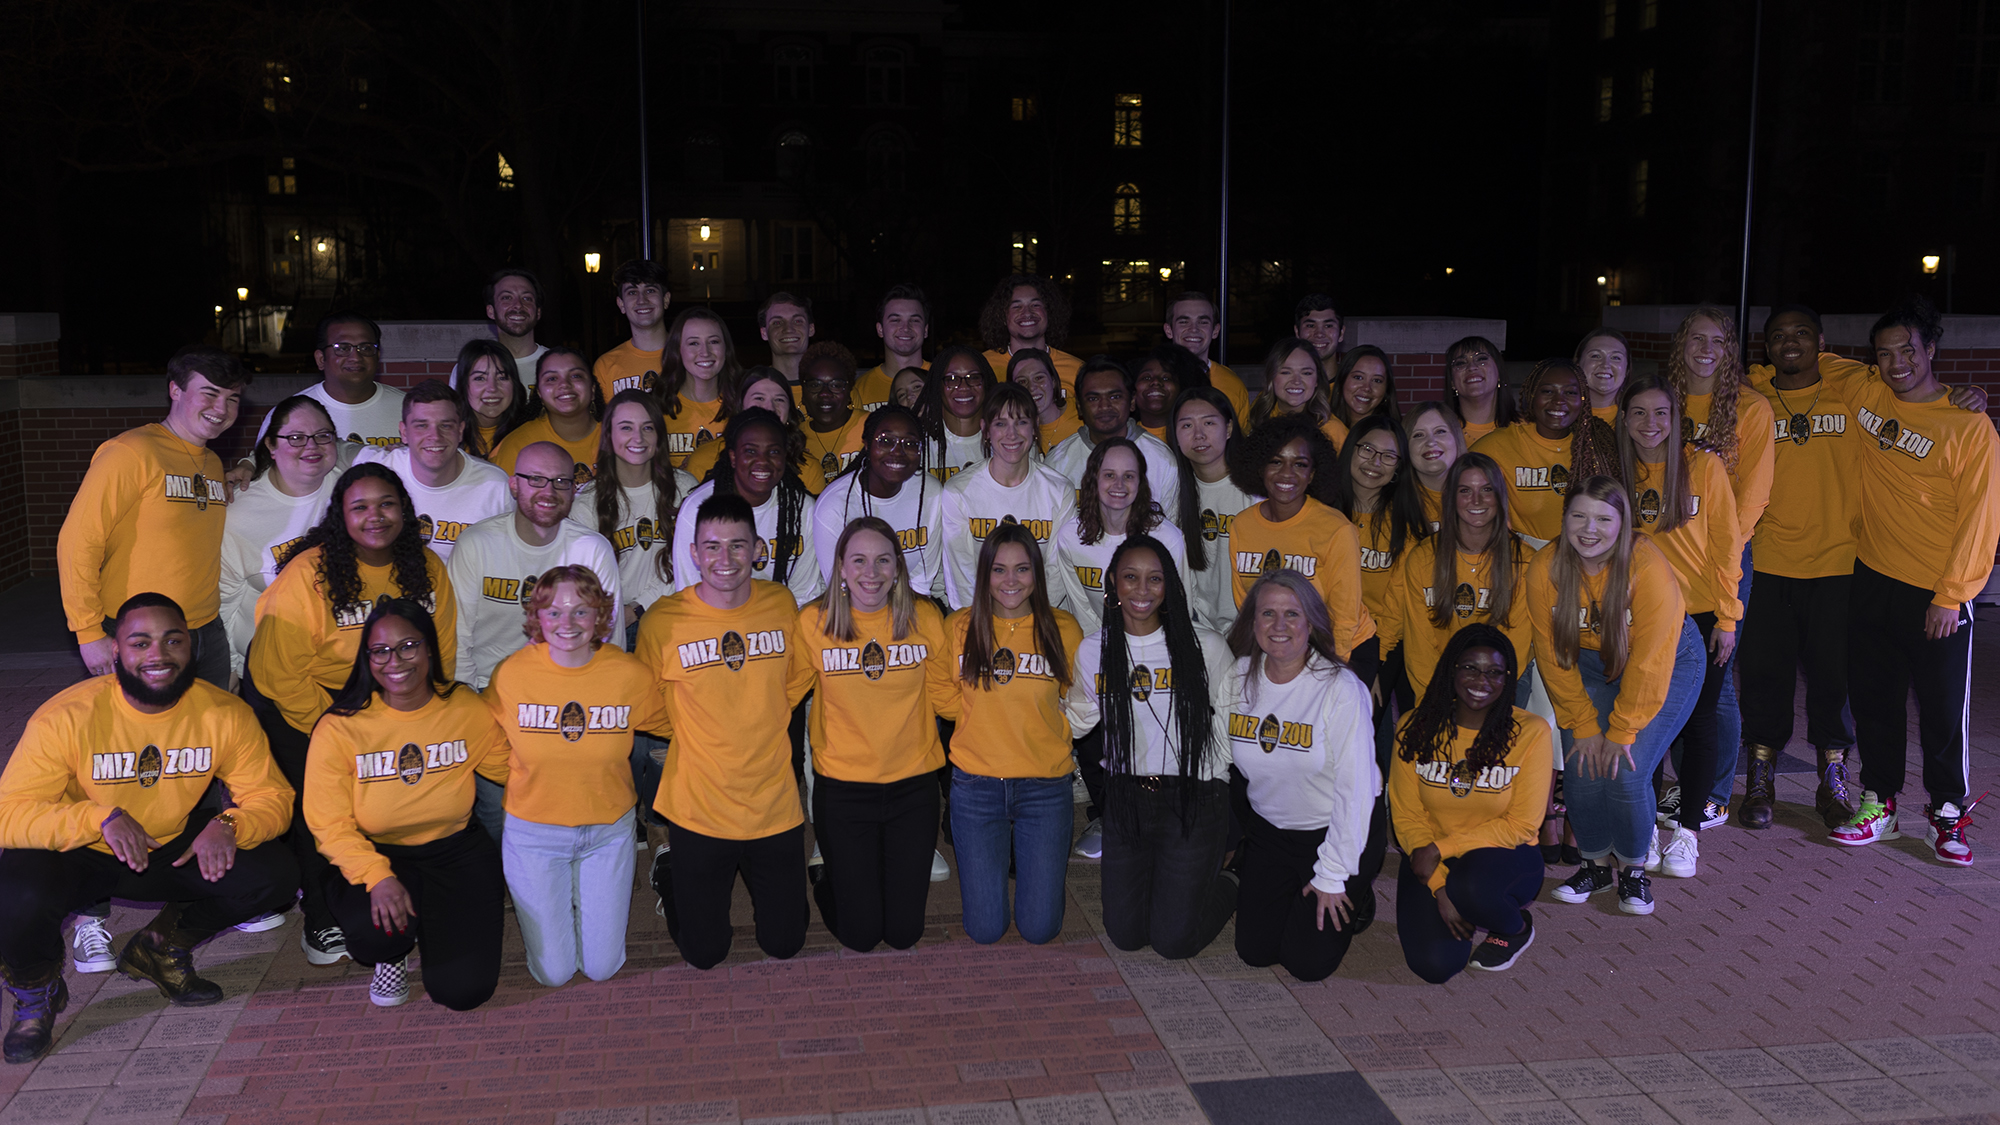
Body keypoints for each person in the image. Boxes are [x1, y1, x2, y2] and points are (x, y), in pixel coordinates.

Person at [0, 594, 297, 1063]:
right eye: (141, 643)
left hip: (168, 845)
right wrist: (97, 817)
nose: (158, 654)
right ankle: (37, 991)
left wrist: (230, 822)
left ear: (191, 647)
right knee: (16, 894)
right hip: (83, 849)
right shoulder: (68, 715)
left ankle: (159, 948)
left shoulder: (223, 712)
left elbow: (273, 799)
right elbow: (8, 813)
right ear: (116, 651)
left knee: (275, 874)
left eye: (172, 640)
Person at [247, 463, 457, 966]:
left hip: (389, 695)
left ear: (404, 511)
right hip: (303, 699)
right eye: (359, 507)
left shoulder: (426, 566)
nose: (374, 516)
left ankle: (395, 885)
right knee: (323, 806)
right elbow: (277, 672)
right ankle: (320, 915)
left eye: (386, 504)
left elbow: (441, 650)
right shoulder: (310, 573)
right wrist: (344, 733)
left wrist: (421, 714)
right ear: (340, 516)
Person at [1822, 299, 2000, 865]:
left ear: (1930, 350)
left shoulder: (1969, 426)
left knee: (1943, 711)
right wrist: (1754, 373)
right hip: (1872, 577)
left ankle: (1947, 813)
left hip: (1936, 593)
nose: (1897, 363)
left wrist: (1952, 595)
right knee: (1875, 702)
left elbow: (1981, 519)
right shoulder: (1867, 391)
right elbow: (1803, 357)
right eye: (1885, 354)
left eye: (1908, 350)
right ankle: (1881, 803)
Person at [634, 494, 817, 969]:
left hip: (771, 800)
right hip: (699, 805)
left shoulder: (780, 603)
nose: (725, 558)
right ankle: (668, 864)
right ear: (694, 553)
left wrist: (761, 715)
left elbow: (796, 677)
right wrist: (696, 731)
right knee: (704, 953)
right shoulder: (663, 622)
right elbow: (646, 703)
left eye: (738, 545)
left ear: (757, 549)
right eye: (712, 546)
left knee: (785, 943)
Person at [303, 599, 509, 1010]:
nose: (394, 661)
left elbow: (514, 771)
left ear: (430, 648)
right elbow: (327, 822)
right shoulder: (341, 726)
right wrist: (377, 876)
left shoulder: (465, 708)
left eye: (408, 646)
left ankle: (430, 924)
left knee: (464, 992)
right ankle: (393, 953)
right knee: (376, 935)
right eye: (380, 651)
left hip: (456, 851)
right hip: (378, 853)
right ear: (367, 659)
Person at [483, 566, 671, 986]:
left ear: (600, 615)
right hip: (534, 835)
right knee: (554, 973)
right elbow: (483, 741)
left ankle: (579, 897)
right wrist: (523, 779)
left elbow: (674, 724)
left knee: (602, 968)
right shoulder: (512, 674)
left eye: (581, 611)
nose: (567, 623)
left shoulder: (627, 674)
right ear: (537, 616)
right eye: (554, 612)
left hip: (607, 833)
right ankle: (558, 899)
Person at [1532, 479, 1704, 916]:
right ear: (1564, 519)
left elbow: (1650, 663)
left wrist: (1621, 730)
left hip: (1667, 662)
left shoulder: (1647, 567)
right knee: (1583, 761)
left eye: (1603, 519)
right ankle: (1594, 866)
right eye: (1579, 516)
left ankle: (1632, 870)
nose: (1589, 529)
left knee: (1625, 770)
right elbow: (1551, 655)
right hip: (1589, 663)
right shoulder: (1546, 566)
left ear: (1623, 524)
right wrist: (1583, 724)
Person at [1069, 536, 1236, 959]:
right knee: (1125, 935)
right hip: (1127, 798)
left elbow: (1232, 720)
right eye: (1131, 577)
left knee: (1173, 942)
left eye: (1154, 579)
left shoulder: (1206, 646)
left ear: (1170, 585)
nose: (1142, 590)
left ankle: (1235, 878)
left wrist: (1213, 774)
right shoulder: (1093, 650)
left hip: (1193, 796)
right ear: (1113, 582)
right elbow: (1075, 719)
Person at [799, 517, 960, 952]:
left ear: (897, 567)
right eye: (859, 560)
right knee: (862, 936)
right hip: (844, 790)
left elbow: (949, 701)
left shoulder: (925, 618)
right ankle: (827, 878)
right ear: (841, 567)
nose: (871, 572)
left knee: (905, 935)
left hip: (913, 789)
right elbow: (780, 697)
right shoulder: (813, 623)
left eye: (882, 560)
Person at [1737, 305, 1867, 829]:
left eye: (1801, 333)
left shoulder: (1852, 394)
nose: (1790, 342)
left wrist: (1962, 396)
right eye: (1778, 335)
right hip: (1768, 562)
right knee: (1764, 677)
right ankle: (1760, 776)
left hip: (1838, 562)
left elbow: (1913, 398)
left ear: (1821, 341)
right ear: (1766, 347)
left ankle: (1832, 777)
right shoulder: (1752, 400)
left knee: (1834, 680)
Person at [60, 346, 248, 685]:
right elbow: (78, 543)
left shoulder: (212, 463)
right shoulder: (130, 452)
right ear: (175, 390)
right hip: (140, 632)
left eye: (232, 398)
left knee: (212, 720)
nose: (221, 409)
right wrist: (88, 632)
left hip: (207, 629)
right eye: (209, 394)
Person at [1616, 376, 1741, 877]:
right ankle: (1645, 827)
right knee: (1645, 722)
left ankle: (1687, 834)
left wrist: (1728, 617)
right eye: (1639, 413)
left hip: (1702, 613)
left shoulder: (1704, 467)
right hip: (1643, 616)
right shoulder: (1617, 472)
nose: (1650, 423)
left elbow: (1728, 546)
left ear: (1677, 419)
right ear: (1624, 419)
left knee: (1699, 720)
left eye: (1661, 413)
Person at [1225, 570, 1376, 983]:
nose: (1279, 625)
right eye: (1267, 613)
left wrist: (1332, 875)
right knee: (1255, 952)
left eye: (1292, 614)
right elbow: (1218, 752)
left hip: (1331, 830)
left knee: (1306, 964)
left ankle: (1357, 886)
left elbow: (1356, 790)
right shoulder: (1237, 677)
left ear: (1312, 622)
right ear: (1252, 621)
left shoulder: (1340, 688)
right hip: (1270, 833)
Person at [946, 522, 1085, 944]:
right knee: (985, 930)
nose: (1011, 580)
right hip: (976, 787)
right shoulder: (959, 627)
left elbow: (1078, 699)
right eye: (999, 569)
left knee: (1040, 929)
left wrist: (1047, 730)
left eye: (1022, 569)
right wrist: (980, 718)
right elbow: (942, 695)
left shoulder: (1063, 629)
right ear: (984, 574)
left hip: (1044, 787)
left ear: (1037, 574)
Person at [1660, 307, 1772, 823]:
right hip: (1663, 557)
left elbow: (1754, 495)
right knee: (1672, 673)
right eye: (1697, 339)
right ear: (1681, 344)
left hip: (1720, 557)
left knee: (1716, 677)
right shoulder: (1665, 399)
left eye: (1718, 341)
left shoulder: (1750, 407)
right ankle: (1687, 783)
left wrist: (1721, 551)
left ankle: (1713, 793)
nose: (1706, 350)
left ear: (1731, 351)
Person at [1390, 626, 1551, 981]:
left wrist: (1442, 848)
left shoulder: (1531, 732)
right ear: (1451, 669)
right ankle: (1462, 901)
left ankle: (1514, 927)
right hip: (1429, 855)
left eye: (1494, 672)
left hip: (1504, 854)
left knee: (1473, 889)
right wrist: (1439, 887)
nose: (1482, 681)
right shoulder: (1415, 727)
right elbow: (1406, 816)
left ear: (1507, 678)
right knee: (1435, 966)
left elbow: (1523, 824)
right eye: (1470, 668)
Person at [448, 441, 622, 694]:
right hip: (486, 685)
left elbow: (608, 637)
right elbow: (457, 637)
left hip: (567, 688)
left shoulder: (593, 549)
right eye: (536, 479)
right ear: (514, 485)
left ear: (573, 490)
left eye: (560, 481)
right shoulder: (475, 544)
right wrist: (467, 696)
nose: (549, 491)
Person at [1224, 414, 1377, 681]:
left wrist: (1329, 673)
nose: (1287, 473)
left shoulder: (1336, 529)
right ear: (1260, 468)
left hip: (1341, 647)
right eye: (1276, 461)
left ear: (1312, 474)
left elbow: (1344, 616)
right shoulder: (1242, 525)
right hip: (1281, 645)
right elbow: (1248, 605)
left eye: (1300, 464)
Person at [1379, 453, 1533, 708]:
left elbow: (1516, 644)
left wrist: (1481, 695)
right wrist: (1433, 701)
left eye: (1486, 489)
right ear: (1450, 497)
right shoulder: (1423, 557)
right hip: (1438, 680)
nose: (1476, 500)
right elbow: (1420, 646)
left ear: (1500, 496)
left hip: (1501, 683)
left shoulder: (1524, 561)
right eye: (1465, 491)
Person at [221, 396, 353, 682]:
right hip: (268, 669)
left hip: (345, 667)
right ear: (270, 445)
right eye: (295, 438)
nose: (311, 446)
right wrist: (230, 670)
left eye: (322, 436)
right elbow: (224, 602)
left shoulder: (354, 492)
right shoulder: (238, 512)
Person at [940, 384, 1078, 610]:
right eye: (1000, 424)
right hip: (978, 614)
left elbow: (1057, 571)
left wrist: (1028, 619)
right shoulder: (959, 491)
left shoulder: (1059, 491)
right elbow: (961, 575)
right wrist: (985, 621)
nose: (1012, 434)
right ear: (985, 430)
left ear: (1035, 427)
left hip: (1041, 613)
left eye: (1021, 422)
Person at [574, 390, 698, 632]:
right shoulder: (587, 502)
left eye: (647, 428)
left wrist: (638, 608)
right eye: (626, 428)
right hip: (615, 620)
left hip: (677, 612)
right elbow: (584, 580)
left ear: (659, 435)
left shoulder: (684, 487)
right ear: (608, 436)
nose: (638, 438)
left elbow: (692, 563)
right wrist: (623, 613)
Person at [672, 408, 824, 606]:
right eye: (751, 451)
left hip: (782, 619)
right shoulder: (697, 509)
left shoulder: (802, 508)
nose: (762, 461)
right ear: (733, 458)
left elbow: (804, 592)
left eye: (774, 451)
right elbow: (690, 592)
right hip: (714, 619)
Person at [355, 380, 514, 562]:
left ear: (460, 431)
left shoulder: (495, 486)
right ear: (404, 432)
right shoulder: (377, 473)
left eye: (445, 425)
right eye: (422, 425)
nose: (435, 436)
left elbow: (509, 556)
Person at [1470, 358, 1620, 545]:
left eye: (1570, 392)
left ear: (1583, 400)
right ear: (1532, 395)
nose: (1559, 401)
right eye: (1548, 391)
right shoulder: (1497, 446)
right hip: (1525, 555)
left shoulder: (1598, 445)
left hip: (1589, 552)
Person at [1329, 415, 1429, 689]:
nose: (1375, 462)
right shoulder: (1322, 513)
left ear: (1398, 467)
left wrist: (1374, 661)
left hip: (1381, 639)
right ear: (1351, 450)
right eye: (1367, 449)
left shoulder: (1406, 523)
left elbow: (1396, 605)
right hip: (1325, 634)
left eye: (1388, 456)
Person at [1055, 439, 1189, 636]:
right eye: (1109, 475)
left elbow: (1180, 609)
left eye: (1128, 476)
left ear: (1140, 483)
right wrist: (1104, 646)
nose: (1119, 484)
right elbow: (1082, 611)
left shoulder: (1168, 539)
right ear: (1093, 479)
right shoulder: (1070, 537)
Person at [812, 406, 946, 599]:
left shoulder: (930, 492)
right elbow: (840, 589)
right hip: (851, 605)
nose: (897, 452)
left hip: (911, 602)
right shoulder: (834, 506)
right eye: (885, 441)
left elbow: (922, 581)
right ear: (867, 444)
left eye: (910, 444)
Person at [1043, 358, 1182, 516]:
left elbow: (1172, 526)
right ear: (1079, 406)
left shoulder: (1162, 459)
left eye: (1115, 397)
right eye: (1093, 399)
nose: (1104, 406)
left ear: (1132, 401)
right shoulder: (1058, 461)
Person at [1170, 387, 1255, 633]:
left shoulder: (1255, 490)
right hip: (1200, 625)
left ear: (1228, 429)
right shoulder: (1173, 492)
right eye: (1187, 425)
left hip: (1252, 625)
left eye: (1209, 423)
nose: (1198, 435)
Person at [680, 365, 827, 493]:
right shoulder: (703, 459)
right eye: (759, 398)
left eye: (779, 399)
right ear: (740, 406)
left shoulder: (808, 467)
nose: (769, 407)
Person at [271, 312, 406, 448]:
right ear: (321, 359)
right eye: (342, 348)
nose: (355, 357)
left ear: (377, 356)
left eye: (366, 348)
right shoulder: (288, 414)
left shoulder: (407, 408)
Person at [493, 349, 605, 485]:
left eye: (576, 376)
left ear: (592, 389)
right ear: (539, 393)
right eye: (552, 379)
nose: (564, 384)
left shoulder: (618, 437)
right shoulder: (518, 445)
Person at [657, 307, 739, 466]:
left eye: (713, 342)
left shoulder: (744, 403)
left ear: (726, 348)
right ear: (677, 350)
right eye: (693, 343)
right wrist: (681, 475)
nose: (705, 352)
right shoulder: (656, 408)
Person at [980, 274, 1083, 393]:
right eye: (1017, 306)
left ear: (1048, 312)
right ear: (1002, 316)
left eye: (1035, 305)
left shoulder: (1077, 371)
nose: (1027, 313)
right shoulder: (982, 367)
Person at [1163, 291, 1253, 425]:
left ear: (1215, 331)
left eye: (1203, 322)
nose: (1194, 329)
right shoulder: (1153, 382)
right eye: (1184, 322)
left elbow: (1239, 436)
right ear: (1168, 330)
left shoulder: (1232, 385)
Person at [591, 258, 672, 401]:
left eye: (650, 291)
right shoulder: (606, 366)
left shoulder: (690, 356)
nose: (642, 300)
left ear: (665, 300)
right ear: (621, 304)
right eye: (632, 292)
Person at [917, 346, 997, 481]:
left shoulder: (1007, 438)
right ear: (937, 386)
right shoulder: (918, 443)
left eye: (973, 377)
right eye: (952, 379)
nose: (964, 387)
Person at [1245, 337, 1341, 448]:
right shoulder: (1259, 411)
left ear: (1317, 380)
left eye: (1306, 373)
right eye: (1286, 372)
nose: (1296, 381)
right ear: (1271, 377)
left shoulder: (1332, 430)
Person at [454, 340, 535, 458]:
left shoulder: (530, 433)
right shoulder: (449, 434)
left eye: (502, 377)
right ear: (464, 385)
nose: (492, 388)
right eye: (480, 378)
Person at [799, 342, 868, 479]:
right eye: (815, 385)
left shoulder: (873, 427)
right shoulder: (795, 439)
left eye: (836, 385)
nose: (825, 393)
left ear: (849, 391)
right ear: (803, 394)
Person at [859, 284, 930, 412]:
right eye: (895, 320)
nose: (906, 328)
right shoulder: (859, 390)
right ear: (880, 329)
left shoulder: (943, 381)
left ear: (925, 330)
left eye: (914, 320)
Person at [1444, 336, 1517, 447]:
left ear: (1499, 373)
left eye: (1481, 359)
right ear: (1452, 382)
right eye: (1460, 363)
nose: (1471, 367)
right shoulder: (1438, 432)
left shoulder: (1526, 428)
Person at [1404, 401, 1467, 527]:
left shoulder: (1480, 497)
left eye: (1440, 431)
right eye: (1418, 435)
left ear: (1457, 438)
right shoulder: (1392, 503)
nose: (1431, 442)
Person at [1010, 349, 1082, 454]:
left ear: (1053, 381)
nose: (1031, 387)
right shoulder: (1014, 433)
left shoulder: (1082, 413)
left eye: (1039, 378)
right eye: (1022, 382)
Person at [485, 268, 549, 386]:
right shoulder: (472, 369)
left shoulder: (559, 367)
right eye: (506, 298)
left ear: (538, 312)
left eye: (527, 298)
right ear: (491, 311)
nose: (518, 305)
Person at [1132, 344, 1209, 441]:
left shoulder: (1197, 437)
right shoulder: (1122, 437)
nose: (1156, 382)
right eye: (1146, 377)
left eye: (1166, 378)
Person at [1330, 346, 1400, 429]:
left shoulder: (1388, 433)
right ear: (1342, 380)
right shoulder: (1323, 424)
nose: (1367, 388)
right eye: (1358, 377)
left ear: (1386, 389)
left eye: (1377, 380)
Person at [1576, 328, 1630, 424]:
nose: (1605, 364)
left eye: (1615, 357)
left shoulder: (1636, 417)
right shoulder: (1559, 411)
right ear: (1578, 364)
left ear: (1627, 369)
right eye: (1596, 356)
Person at [758, 292, 815, 383]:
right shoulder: (754, 388)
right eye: (777, 323)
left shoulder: (830, 387)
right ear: (764, 333)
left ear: (811, 329)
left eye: (797, 321)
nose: (788, 329)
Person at [1294, 294, 1344, 369]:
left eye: (1328, 326)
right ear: (1297, 332)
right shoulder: (1280, 375)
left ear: (1341, 333)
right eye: (1310, 326)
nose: (1319, 334)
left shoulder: (1352, 376)